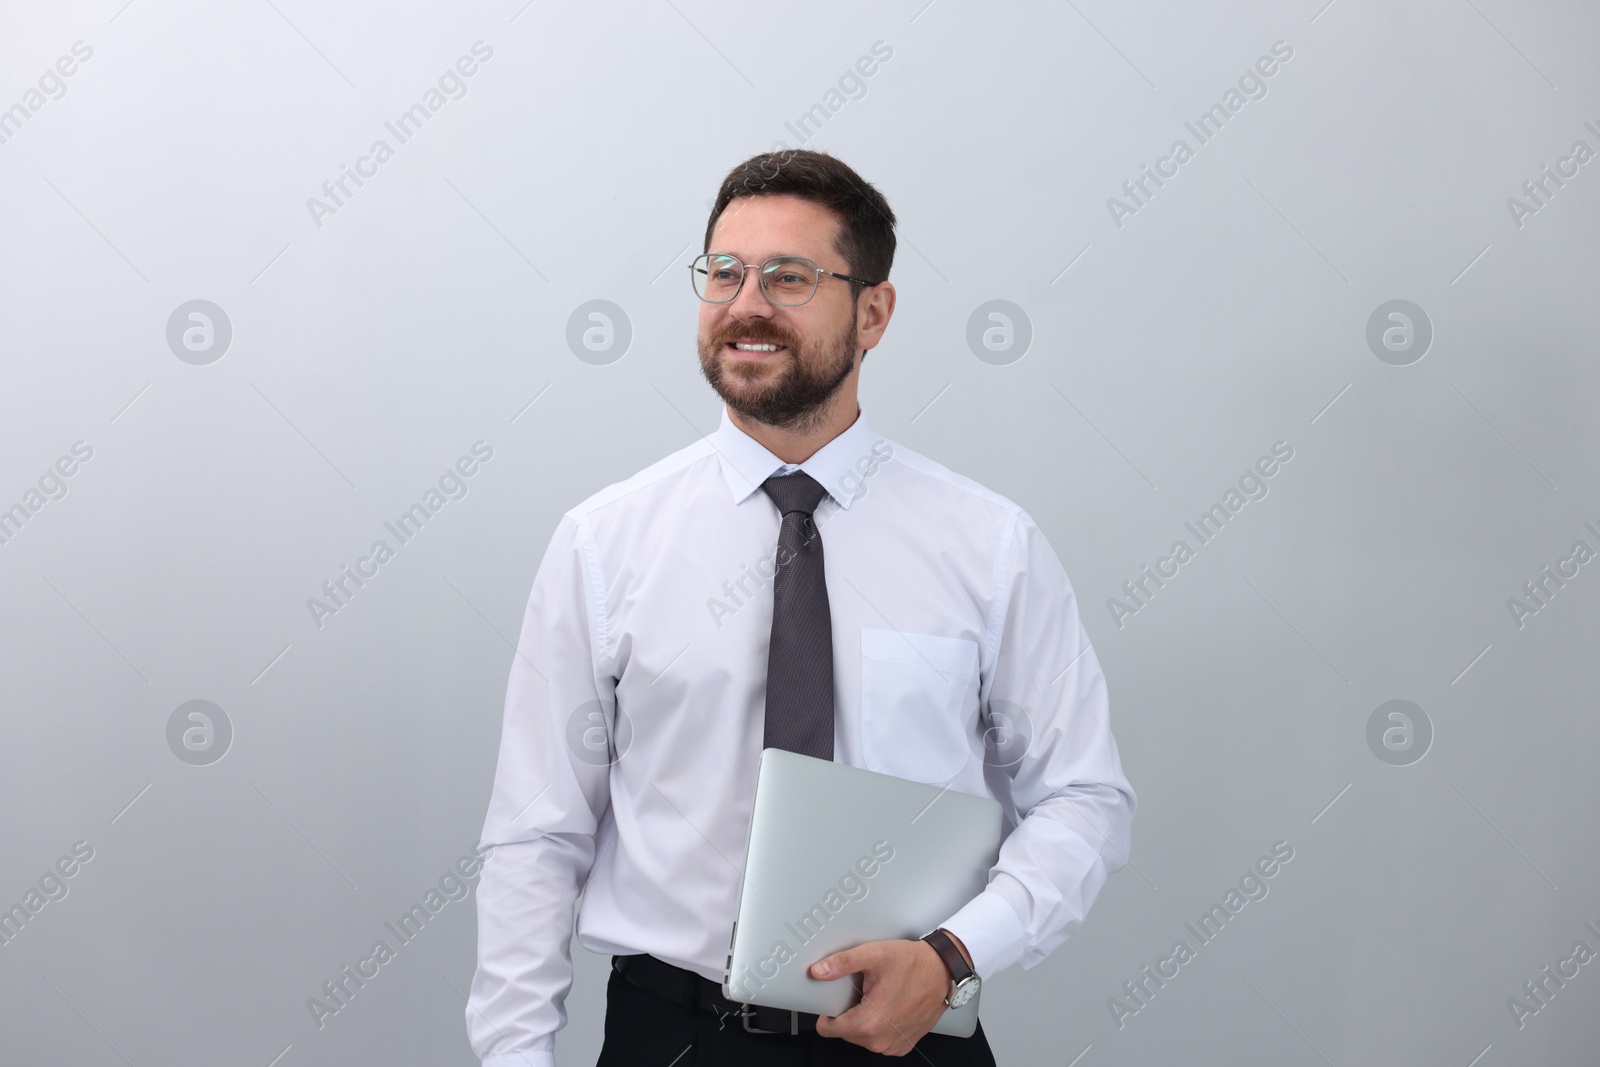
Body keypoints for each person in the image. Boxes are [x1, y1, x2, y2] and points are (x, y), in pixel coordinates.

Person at [466, 149, 1136, 1065]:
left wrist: (955, 957)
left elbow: (1083, 797)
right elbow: (536, 833)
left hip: (914, 1032)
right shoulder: (605, 542)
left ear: (873, 312)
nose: (746, 305)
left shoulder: (988, 545)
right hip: (676, 1037)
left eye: (789, 277)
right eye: (724, 273)